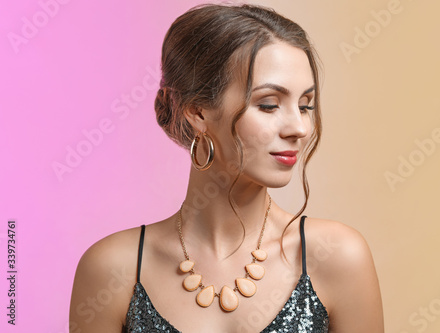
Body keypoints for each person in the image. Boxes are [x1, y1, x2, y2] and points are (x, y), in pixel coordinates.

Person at [69, 3, 384, 332]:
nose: (299, 128)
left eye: (305, 106)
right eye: (269, 105)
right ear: (198, 111)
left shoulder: (337, 257)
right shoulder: (112, 270)